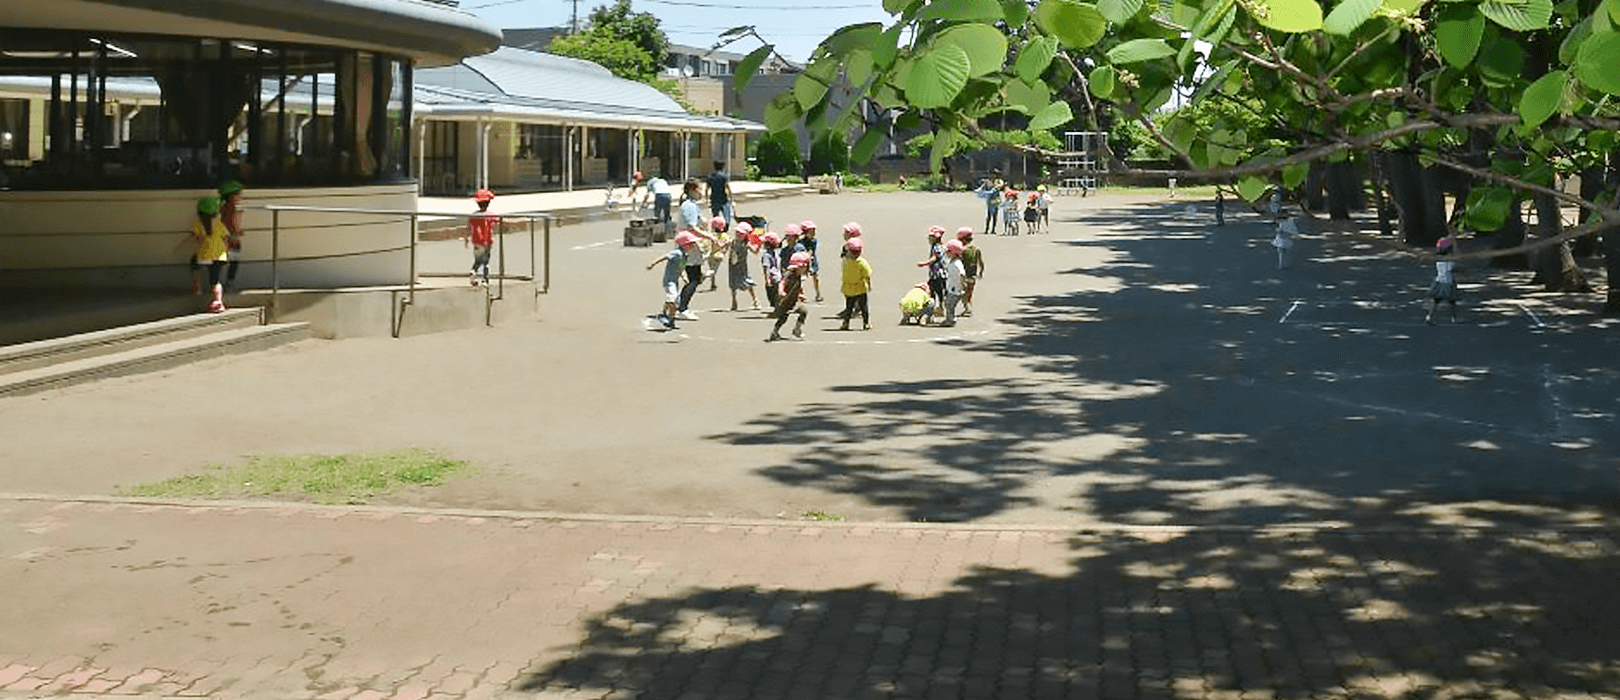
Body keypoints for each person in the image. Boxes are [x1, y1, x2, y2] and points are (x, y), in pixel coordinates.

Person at [177, 195, 231, 313]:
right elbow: (226, 238)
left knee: (194, 265)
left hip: (205, 254)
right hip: (219, 255)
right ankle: (218, 301)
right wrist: (227, 251)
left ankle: (197, 288)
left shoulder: (198, 223)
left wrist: (182, 246)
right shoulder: (219, 223)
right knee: (215, 280)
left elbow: (197, 238)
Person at [645, 230, 703, 330]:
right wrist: (653, 264)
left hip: (675, 281)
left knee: (675, 300)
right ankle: (666, 317)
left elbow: (681, 267)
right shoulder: (677, 253)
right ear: (685, 244)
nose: (693, 245)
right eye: (691, 244)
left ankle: (667, 316)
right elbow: (665, 257)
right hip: (669, 281)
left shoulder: (684, 255)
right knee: (674, 299)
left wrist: (683, 276)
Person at [768, 251, 812, 341]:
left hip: (793, 301)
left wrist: (800, 294)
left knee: (803, 311)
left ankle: (797, 329)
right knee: (783, 317)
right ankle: (775, 332)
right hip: (785, 301)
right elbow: (782, 282)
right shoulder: (790, 274)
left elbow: (798, 287)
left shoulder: (798, 276)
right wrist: (781, 291)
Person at [465, 188, 500, 286]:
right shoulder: (490, 215)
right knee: (486, 261)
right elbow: (497, 225)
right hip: (487, 240)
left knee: (477, 259)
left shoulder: (474, 215)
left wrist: (467, 238)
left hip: (476, 241)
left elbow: (468, 228)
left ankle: (474, 271)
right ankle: (485, 279)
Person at [1426, 237, 1462, 325]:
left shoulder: (1439, 261)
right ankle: (1454, 318)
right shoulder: (1449, 262)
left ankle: (1429, 316)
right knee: (1453, 302)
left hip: (1439, 283)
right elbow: (1455, 268)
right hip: (1448, 283)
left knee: (1435, 301)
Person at [839, 236, 873, 331]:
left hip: (848, 288)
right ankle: (866, 323)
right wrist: (869, 285)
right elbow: (867, 275)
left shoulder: (846, 261)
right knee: (864, 307)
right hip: (860, 288)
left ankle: (846, 323)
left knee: (848, 308)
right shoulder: (862, 263)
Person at [219, 180, 246, 291]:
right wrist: (235, 234)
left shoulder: (225, 208)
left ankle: (225, 281)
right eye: (237, 194)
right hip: (230, 239)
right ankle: (226, 281)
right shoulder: (231, 209)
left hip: (231, 239)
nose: (240, 196)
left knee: (231, 261)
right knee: (230, 261)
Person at [728, 221, 760, 311]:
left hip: (742, 266)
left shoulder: (747, 244)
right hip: (733, 265)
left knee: (747, 282)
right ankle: (734, 302)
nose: (738, 234)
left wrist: (758, 244)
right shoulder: (733, 242)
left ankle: (755, 300)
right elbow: (724, 246)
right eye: (737, 232)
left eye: (741, 233)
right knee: (732, 284)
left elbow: (755, 251)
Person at [917, 225, 947, 314]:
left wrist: (925, 263)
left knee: (936, 292)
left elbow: (935, 257)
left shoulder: (937, 246)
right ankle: (938, 309)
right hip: (936, 273)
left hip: (938, 274)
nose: (929, 239)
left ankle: (937, 309)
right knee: (937, 292)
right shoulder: (937, 246)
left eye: (931, 237)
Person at [938, 238, 967, 327]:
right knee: (948, 303)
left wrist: (963, 284)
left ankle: (951, 319)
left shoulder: (957, 263)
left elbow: (962, 274)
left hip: (955, 288)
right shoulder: (953, 262)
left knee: (950, 304)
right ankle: (950, 318)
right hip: (951, 287)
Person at [956, 227, 983, 317]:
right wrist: (980, 273)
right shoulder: (976, 249)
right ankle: (968, 308)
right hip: (973, 275)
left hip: (964, 275)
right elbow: (981, 263)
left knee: (964, 294)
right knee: (970, 293)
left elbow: (959, 262)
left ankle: (968, 309)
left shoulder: (963, 250)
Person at [759, 230, 783, 310]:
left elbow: (766, 267)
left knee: (772, 295)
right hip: (778, 276)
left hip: (772, 277)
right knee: (777, 295)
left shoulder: (766, 255)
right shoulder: (775, 253)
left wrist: (766, 279)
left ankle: (777, 308)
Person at [706, 160, 735, 228]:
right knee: (726, 213)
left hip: (714, 197)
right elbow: (727, 187)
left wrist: (706, 198)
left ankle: (716, 227)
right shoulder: (724, 176)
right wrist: (731, 197)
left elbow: (706, 188)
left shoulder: (711, 176)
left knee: (715, 214)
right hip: (723, 198)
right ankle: (726, 225)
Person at [801, 220, 824, 302]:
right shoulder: (801, 242)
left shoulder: (814, 241)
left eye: (814, 231)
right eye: (811, 231)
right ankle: (801, 294)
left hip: (812, 261)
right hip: (803, 262)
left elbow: (811, 251)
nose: (813, 233)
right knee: (802, 278)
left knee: (816, 277)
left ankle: (818, 293)